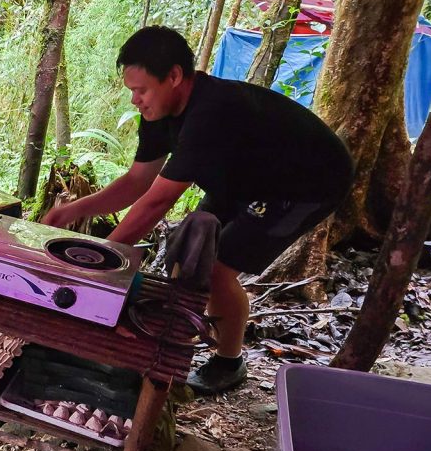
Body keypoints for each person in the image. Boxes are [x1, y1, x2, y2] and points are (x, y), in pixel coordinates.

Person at [43, 26, 353, 395]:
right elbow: (138, 181)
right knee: (192, 249)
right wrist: (72, 211)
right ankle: (177, 337)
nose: (135, 100)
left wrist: (100, 263)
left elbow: (158, 201)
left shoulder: (212, 110)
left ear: (174, 76)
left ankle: (228, 363)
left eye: (141, 90)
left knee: (218, 271)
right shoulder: (159, 113)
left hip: (307, 183)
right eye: (131, 91)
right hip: (242, 178)